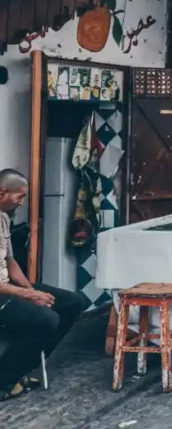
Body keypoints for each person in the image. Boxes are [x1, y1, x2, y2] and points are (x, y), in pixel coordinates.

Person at [0, 169, 89, 400]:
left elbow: (9, 261)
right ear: (2, 193)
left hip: (6, 287)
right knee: (46, 319)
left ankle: (20, 368)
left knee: (72, 303)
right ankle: (4, 379)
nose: (21, 203)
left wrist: (31, 290)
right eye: (19, 197)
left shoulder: (3, 218)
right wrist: (28, 296)